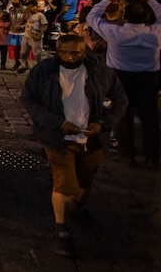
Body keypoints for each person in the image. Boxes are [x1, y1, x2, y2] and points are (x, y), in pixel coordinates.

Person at [21, 34, 126, 257]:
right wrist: (57, 123)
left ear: (84, 52)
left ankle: (79, 208)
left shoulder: (100, 72)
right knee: (63, 183)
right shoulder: (44, 72)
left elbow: (120, 100)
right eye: (64, 52)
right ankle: (61, 229)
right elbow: (29, 99)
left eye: (75, 53)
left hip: (92, 139)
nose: (69, 57)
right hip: (58, 139)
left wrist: (103, 123)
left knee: (85, 179)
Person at [85, 0, 161, 167]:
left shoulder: (115, 32)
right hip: (148, 78)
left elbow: (92, 16)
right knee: (150, 117)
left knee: (122, 115)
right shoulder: (156, 32)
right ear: (148, 16)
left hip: (121, 77)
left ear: (125, 16)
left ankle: (127, 154)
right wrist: (150, 0)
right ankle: (152, 156)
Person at [23, 1, 49, 71]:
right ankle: (24, 65)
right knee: (23, 52)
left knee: (36, 54)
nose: (30, 8)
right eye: (29, 7)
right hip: (27, 35)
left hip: (35, 36)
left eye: (32, 6)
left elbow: (45, 25)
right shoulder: (28, 14)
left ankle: (38, 67)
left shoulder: (40, 15)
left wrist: (40, 34)